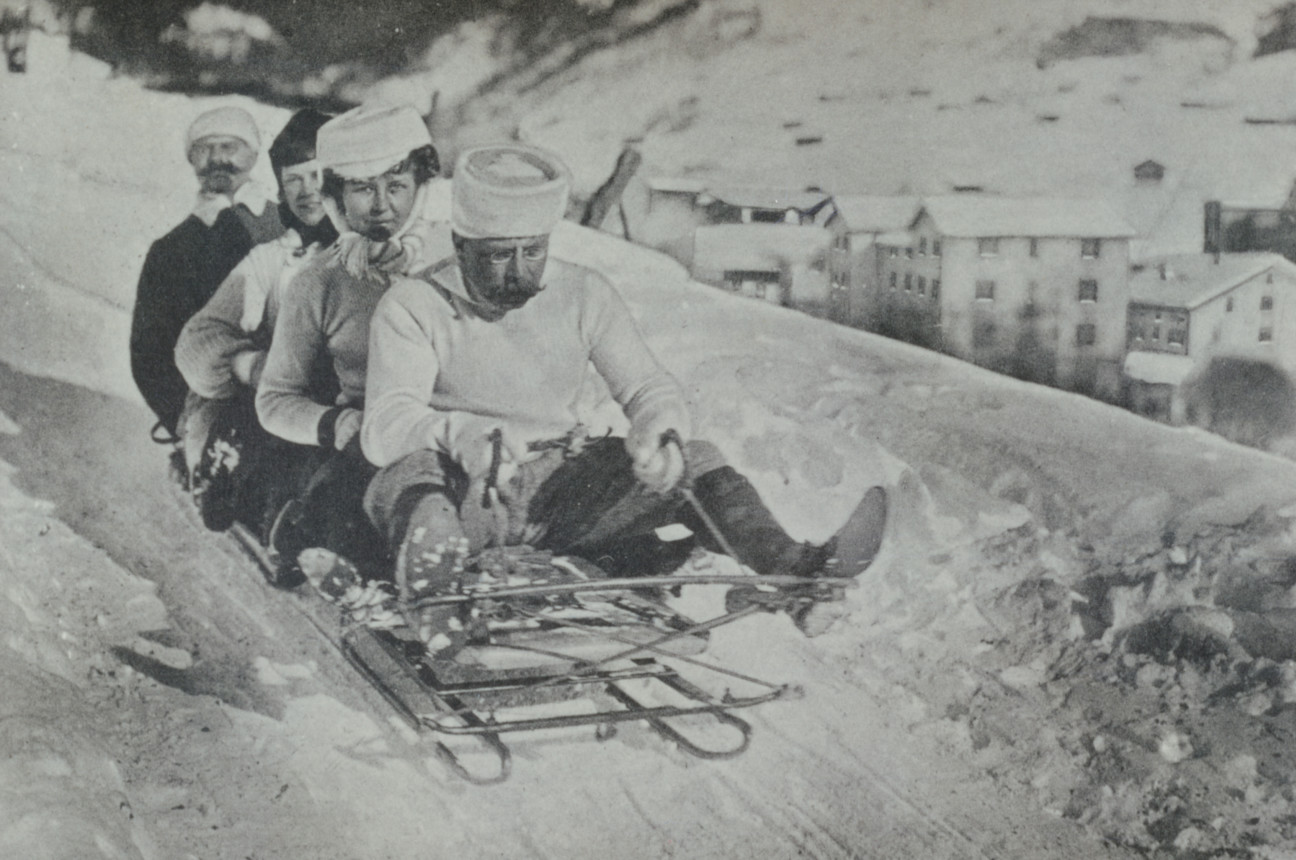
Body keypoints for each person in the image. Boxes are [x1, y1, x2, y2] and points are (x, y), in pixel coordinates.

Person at [357, 143, 883, 653]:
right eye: (497, 256)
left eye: (532, 251)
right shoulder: (414, 304)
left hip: (563, 492)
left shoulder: (582, 293)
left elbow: (646, 386)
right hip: (470, 492)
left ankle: (794, 575)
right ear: (460, 243)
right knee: (411, 478)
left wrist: (659, 428)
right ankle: (434, 595)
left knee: (696, 459)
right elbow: (386, 423)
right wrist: (460, 433)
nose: (517, 272)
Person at [255, 102, 451, 583]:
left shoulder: (457, 260)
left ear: (420, 187)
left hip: (454, 439)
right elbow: (275, 398)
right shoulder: (318, 281)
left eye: (397, 185)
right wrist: (333, 424)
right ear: (337, 198)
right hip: (368, 451)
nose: (382, 205)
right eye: (363, 188)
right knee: (344, 512)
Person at [173, 108, 339, 535]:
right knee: (265, 425)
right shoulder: (273, 258)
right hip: (271, 405)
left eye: (316, 175)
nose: (307, 192)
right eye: (293, 180)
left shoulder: (379, 254)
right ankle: (236, 481)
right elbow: (200, 336)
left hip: (342, 411)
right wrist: (249, 365)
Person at [130, 106, 282, 476]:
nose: (218, 159)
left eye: (230, 146)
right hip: (215, 400)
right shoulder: (171, 250)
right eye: (204, 149)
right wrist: (183, 419)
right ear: (191, 160)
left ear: (253, 153)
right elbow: (149, 355)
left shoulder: (286, 224)